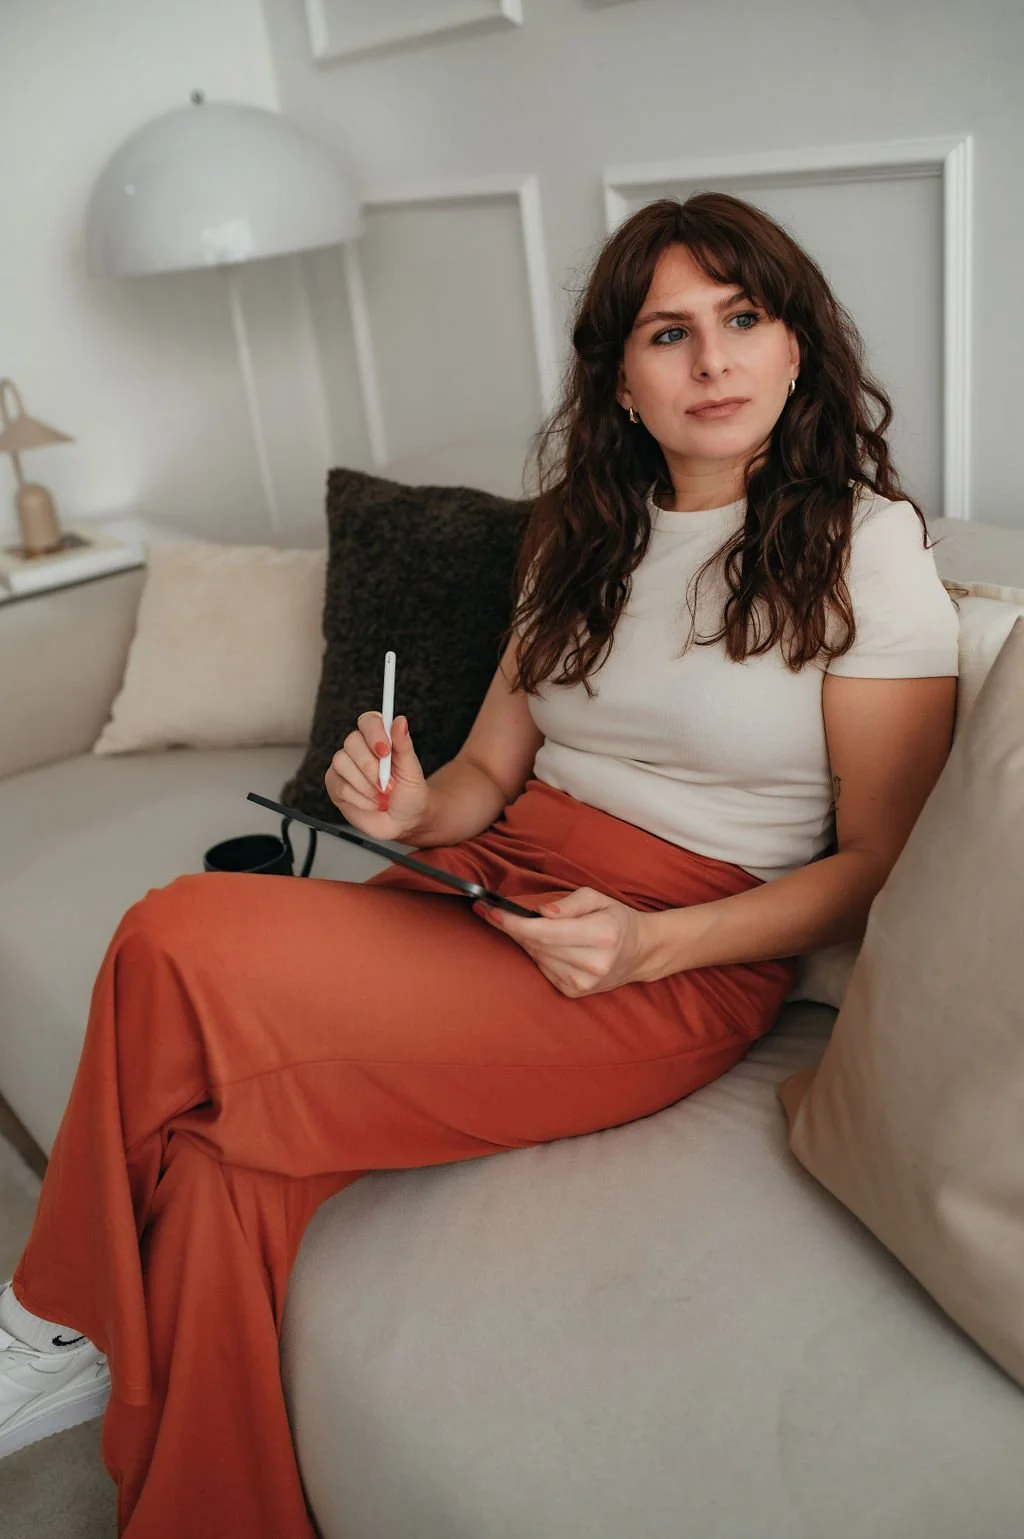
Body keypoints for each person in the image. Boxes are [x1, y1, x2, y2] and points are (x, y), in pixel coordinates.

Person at [0, 191, 958, 1537]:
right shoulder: (578, 532)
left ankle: (54, 1317)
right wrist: (404, 810)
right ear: (619, 380)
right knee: (218, 1171)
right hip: (489, 879)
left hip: (668, 950)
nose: (713, 360)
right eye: (668, 333)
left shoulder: (868, 547)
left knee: (172, 933)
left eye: (744, 318)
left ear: (796, 342)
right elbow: (486, 779)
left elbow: (880, 865)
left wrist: (652, 943)